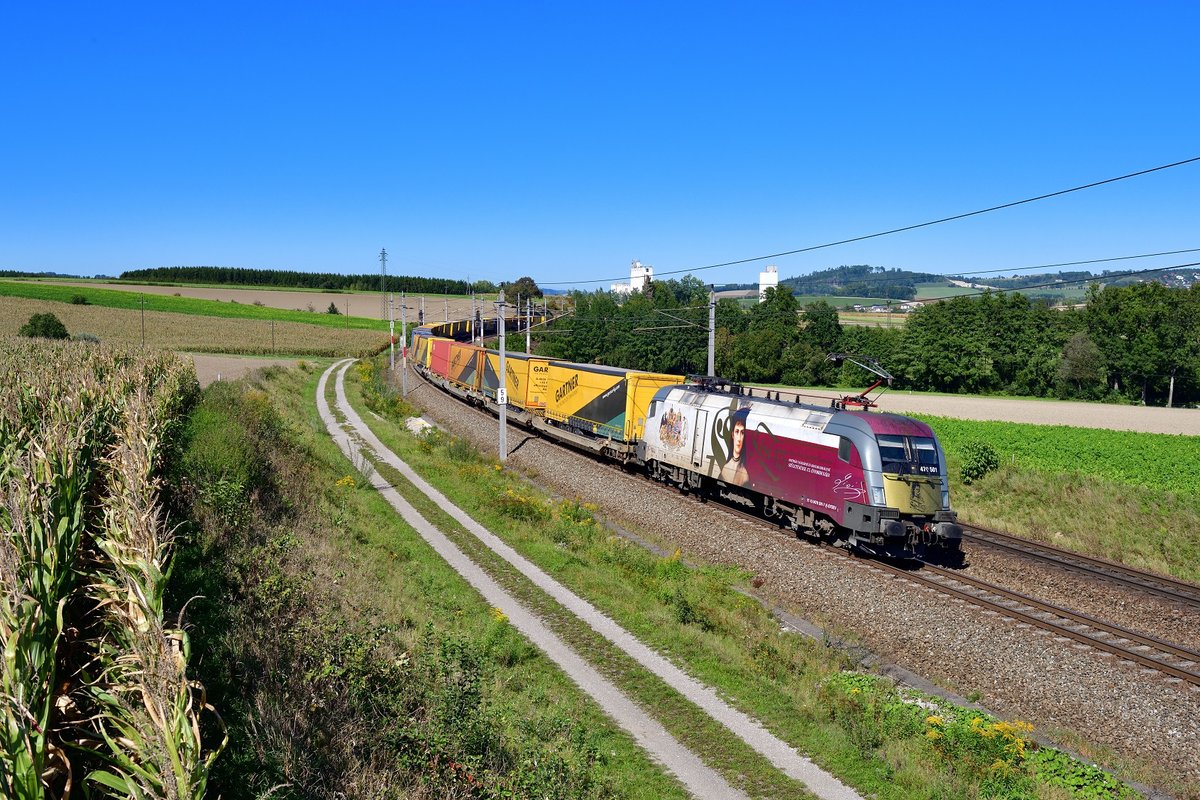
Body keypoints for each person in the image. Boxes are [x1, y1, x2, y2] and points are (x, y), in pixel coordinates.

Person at [719, 407, 750, 485]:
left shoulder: (744, 473)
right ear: (732, 434)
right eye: (737, 431)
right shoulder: (725, 467)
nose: (739, 438)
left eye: (742, 432)